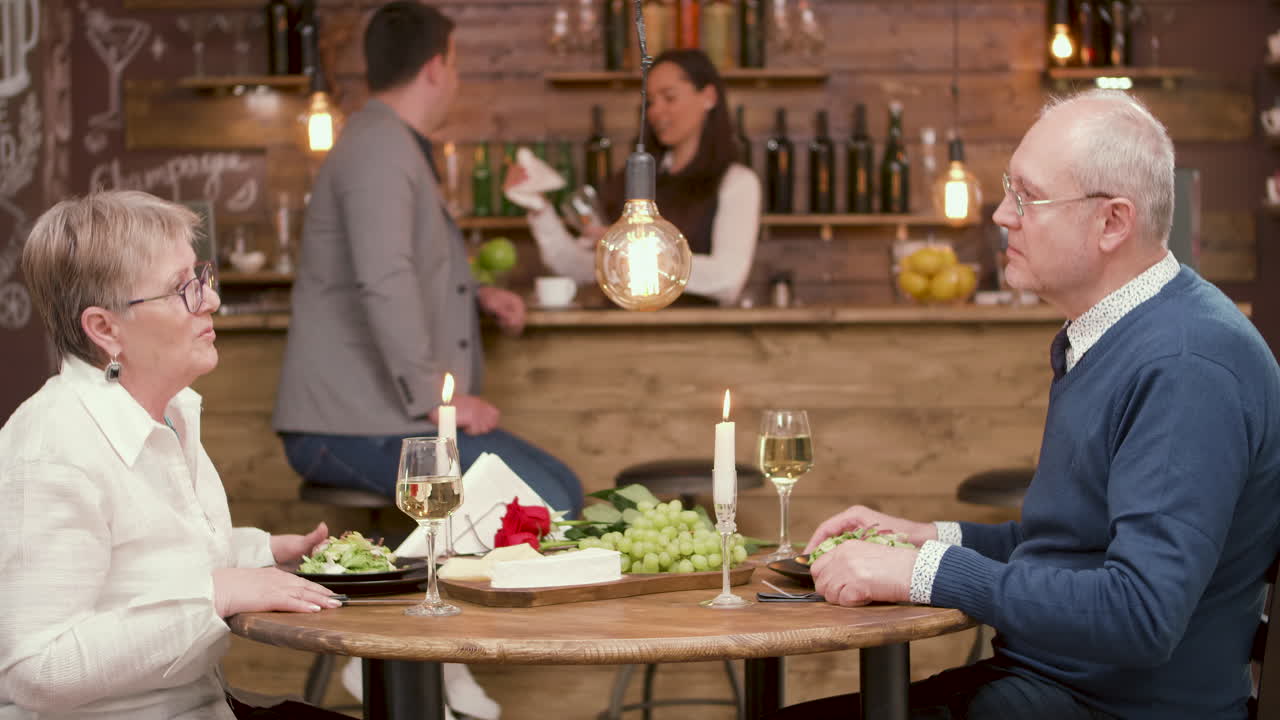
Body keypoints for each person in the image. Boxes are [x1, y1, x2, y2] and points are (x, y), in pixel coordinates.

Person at [796, 90, 1280, 719]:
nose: (1002, 215)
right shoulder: (1116, 333)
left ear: (1112, 222)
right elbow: (1076, 547)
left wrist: (925, 574)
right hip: (1053, 688)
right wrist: (928, 539)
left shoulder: (1186, 365)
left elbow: (1140, 614)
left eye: (1027, 196)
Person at [0, 191, 347, 720]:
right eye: (180, 289)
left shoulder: (170, 412)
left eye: (200, 276)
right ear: (105, 329)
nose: (209, 300)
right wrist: (215, 595)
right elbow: (37, 671)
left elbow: (142, 565)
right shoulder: (53, 448)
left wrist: (263, 551)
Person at [272, 1, 583, 517]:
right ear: (436, 67)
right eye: (455, 64)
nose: (454, 77)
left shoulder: (393, 144)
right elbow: (384, 278)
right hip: (348, 427)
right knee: (548, 503)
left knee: (561, 489)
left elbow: (400, 264)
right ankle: (434, 590)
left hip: (384, 420)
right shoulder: (378, 150)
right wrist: (437, 402)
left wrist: (477, 295)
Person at [510, 48, 762, 307]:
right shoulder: (633, 182)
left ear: (708, 97)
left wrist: (635, 251)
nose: (655, 111)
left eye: (669, 97)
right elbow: (581, 269)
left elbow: (727, 279)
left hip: (693, 341)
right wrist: (537, 207)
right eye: (650, 102)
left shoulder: (737, 183)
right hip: (621, 337)